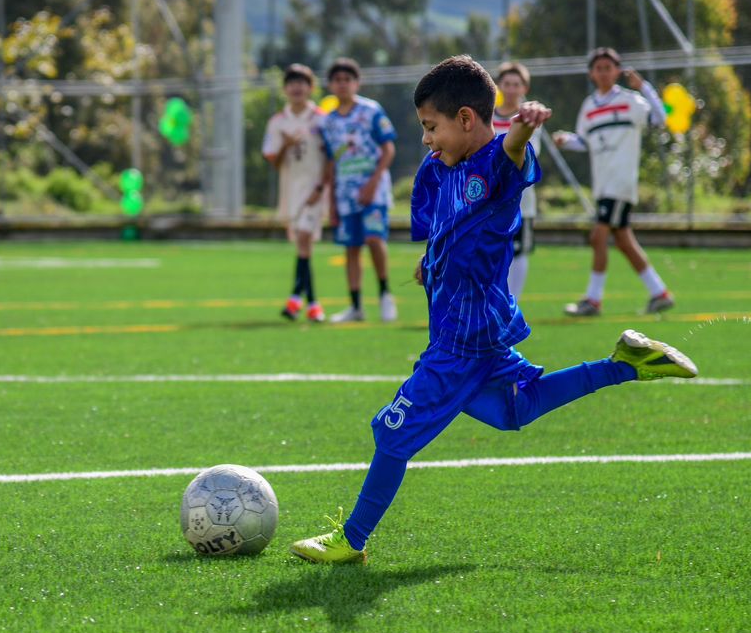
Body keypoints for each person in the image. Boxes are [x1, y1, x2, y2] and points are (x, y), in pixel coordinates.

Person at [289, 55, 699, 565]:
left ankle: (351, 540)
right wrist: (429, 261)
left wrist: (523, 127)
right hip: (477, 326)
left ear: (465, 119)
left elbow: (508, 152)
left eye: (431, 126)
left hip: (462, 337)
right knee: (513, 410)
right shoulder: (439, 171)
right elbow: (449, 230)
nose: (426, 139)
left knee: (392, 434)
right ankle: (625, 365)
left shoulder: (494, 166)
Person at [552, 47, 675, 316]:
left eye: (609, 67)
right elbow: (584, 141)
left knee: (598, 236)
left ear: (617, 71)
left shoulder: (631, 100)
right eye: (599, 68)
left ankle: (593, 300)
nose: (604, 72)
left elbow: (660, 118)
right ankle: (659, 293)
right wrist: (566, 141)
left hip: (620, 182)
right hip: (603, 184)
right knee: (622, 241)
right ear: (591, 74)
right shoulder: (589, 106)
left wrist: (644, 87)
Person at [319, 57, 398, 323]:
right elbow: (331, 162)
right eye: (337, 80)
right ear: (330, 84)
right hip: (344, 194)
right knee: (351, 248)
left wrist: (373, 182)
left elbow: (388, 148)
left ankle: (386, 295)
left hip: (372, 191)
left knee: (375, 239)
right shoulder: (328, 122)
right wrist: (330, 202)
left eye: (347, 79)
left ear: (357, 82)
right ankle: (355, 307)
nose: (342, 85)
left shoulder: (371, 111)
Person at [261, 63, 329, 322]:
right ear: (285, 89)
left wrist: (322, 187)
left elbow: (332, 157)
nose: (296, 87)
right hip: (292, 190)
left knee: (303, 239)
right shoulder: (278, 122)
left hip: (315, 189)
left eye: (302, 83)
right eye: (291, 83)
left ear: (310, 88)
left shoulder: (321, 119)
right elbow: (274, 161)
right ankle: (303, 301)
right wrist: (285, 146)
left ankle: (305, 303)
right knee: (303, 246)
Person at [492, 61, 541, 300]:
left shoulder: (529, 118)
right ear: (498, 86)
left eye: (516, 84)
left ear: (524, 87)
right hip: (490, 198)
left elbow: (531, 153)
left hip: (521, 200)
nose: (511, 89)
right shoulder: (486, 117)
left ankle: (513, 303)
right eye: (506, 84)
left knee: (519, 251)